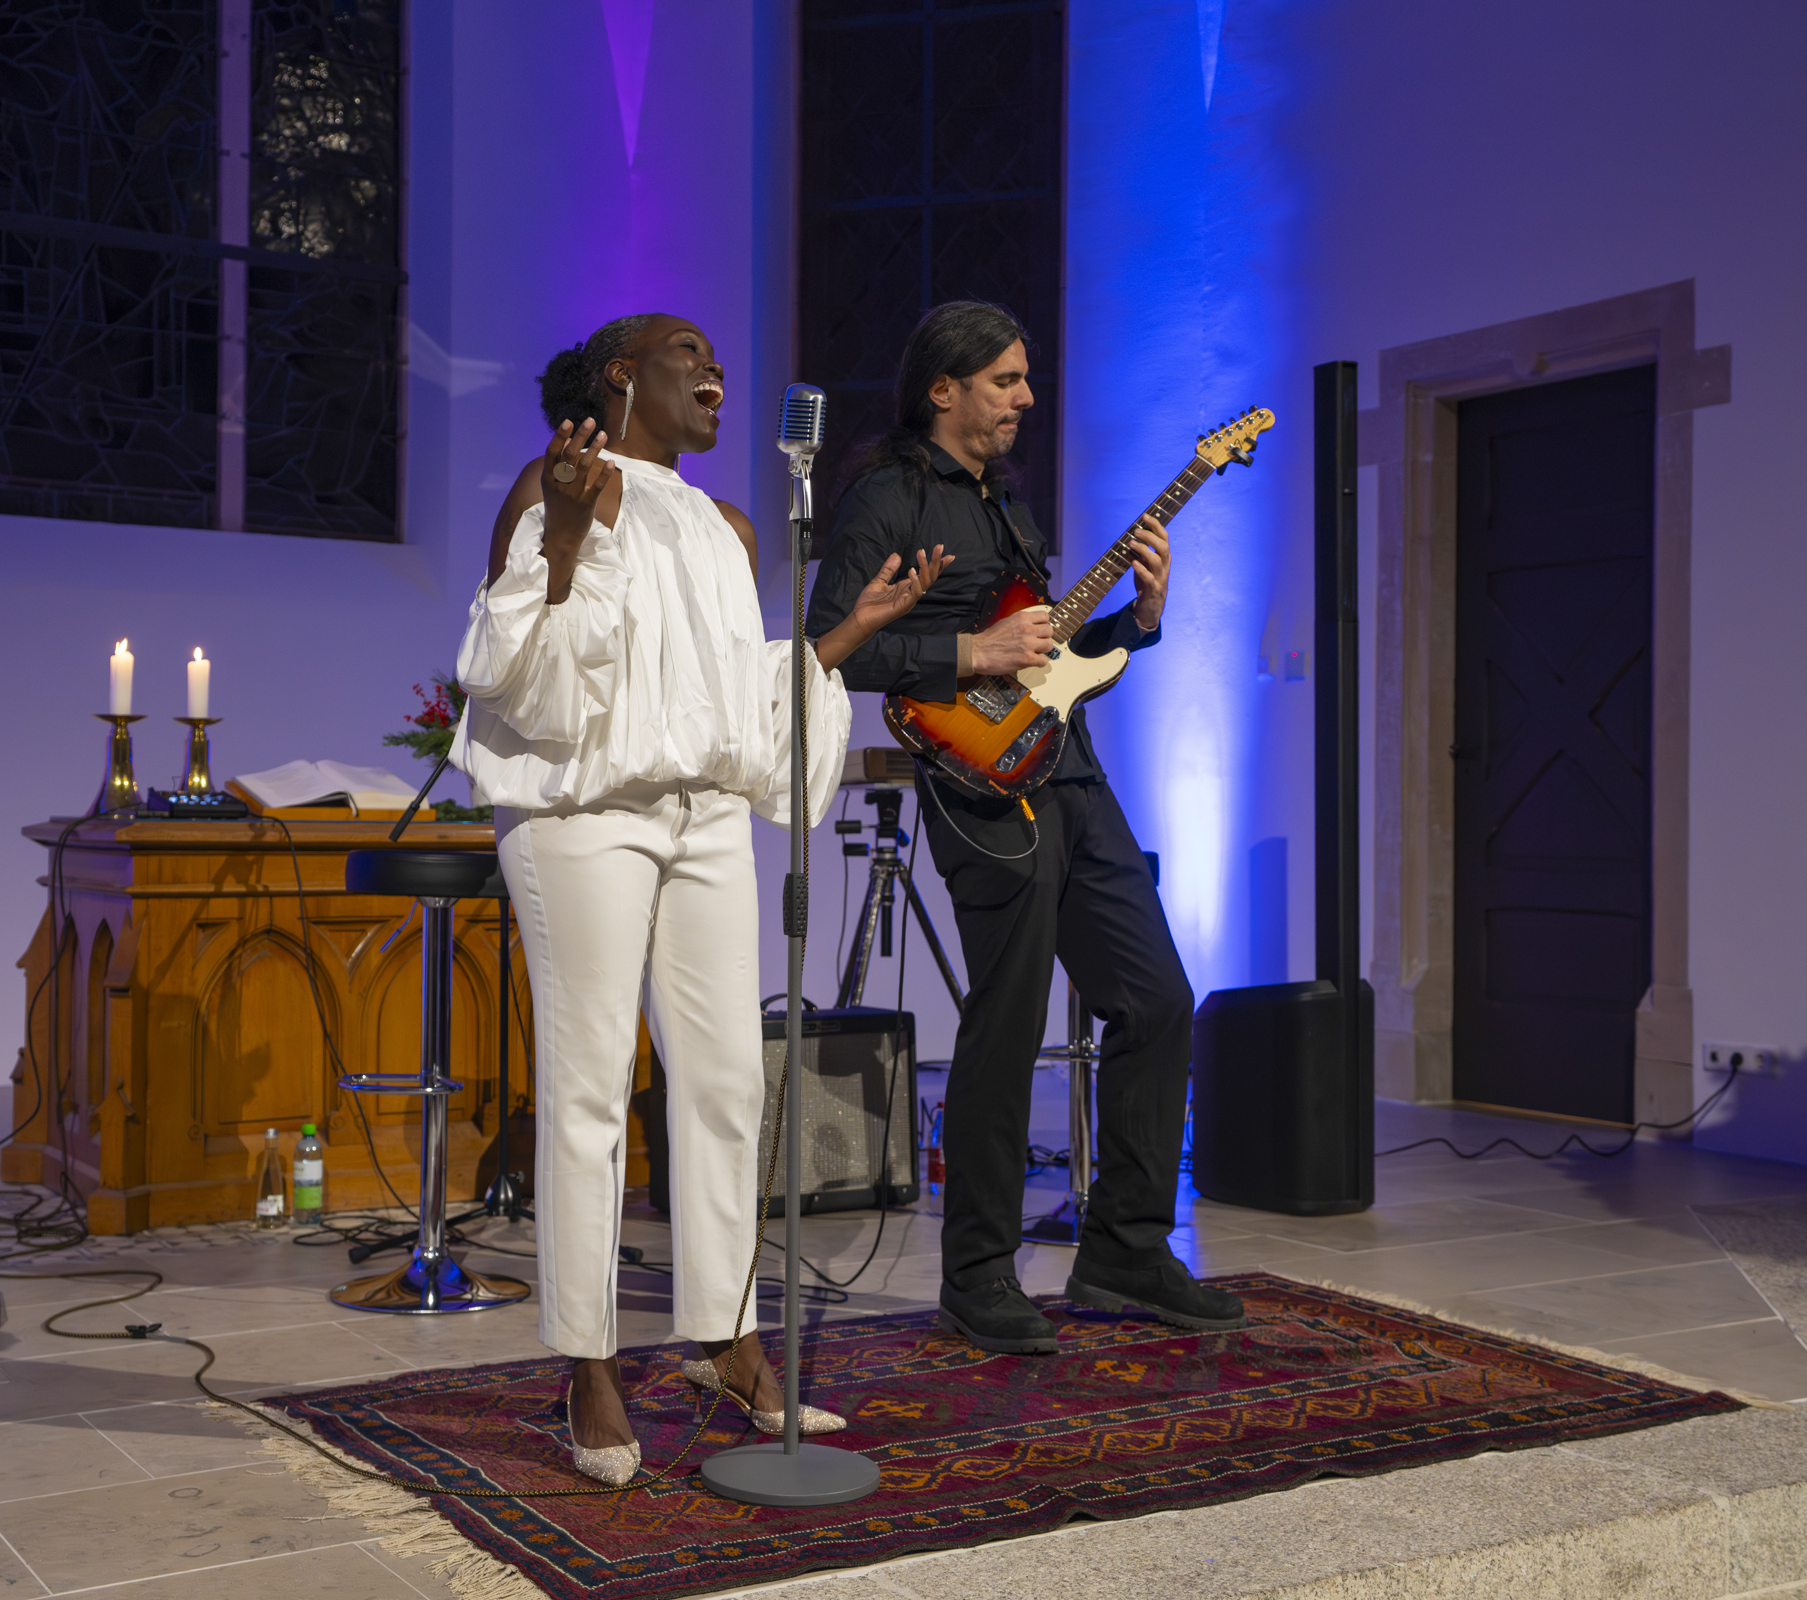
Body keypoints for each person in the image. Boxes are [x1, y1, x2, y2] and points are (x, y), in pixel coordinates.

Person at [453, 312, 950, 1484]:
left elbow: (725, 695)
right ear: (623, 376)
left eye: (716, 354)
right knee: (588, 1086)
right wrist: (561, 532)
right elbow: (511, 668)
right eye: (688, 352)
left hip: (708, 817)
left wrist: (843, 637)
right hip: (585, 814)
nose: (715, 366)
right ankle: (588, 1361)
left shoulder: (730, 525)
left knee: (728, 1080)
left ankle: (725, 1335)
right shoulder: (559, 482)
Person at [806, 301, 1247, 1355]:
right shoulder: (886, 498)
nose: (1026, 399)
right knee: (1008, 1023)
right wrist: (970, 652)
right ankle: (977, 1277)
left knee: (1158, 999)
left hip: (1073, 774)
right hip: (980, 791)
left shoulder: (1008, 504)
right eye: (1004, 380)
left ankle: (1126, 1252)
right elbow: (832, 646)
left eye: (1025, 379)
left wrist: (1138, 622)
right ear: (942, 389)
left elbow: (1050, 665)